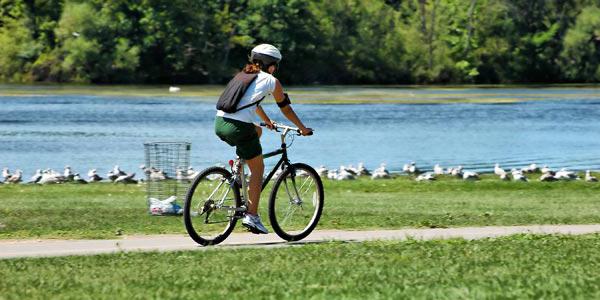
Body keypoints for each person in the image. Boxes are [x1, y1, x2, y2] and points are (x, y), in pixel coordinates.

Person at [215, 44, 313, 234]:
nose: (275, 69)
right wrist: (303, 129)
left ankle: (238, 168)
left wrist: (267, 122)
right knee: (258, 169)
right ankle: (252, 216)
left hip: (219, 123)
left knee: (257, 132)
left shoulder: (243, 75)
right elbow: (285, 108)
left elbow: (252, 103)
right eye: (275, 65)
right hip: (239, 127)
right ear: (271, 65)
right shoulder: (271, 81)